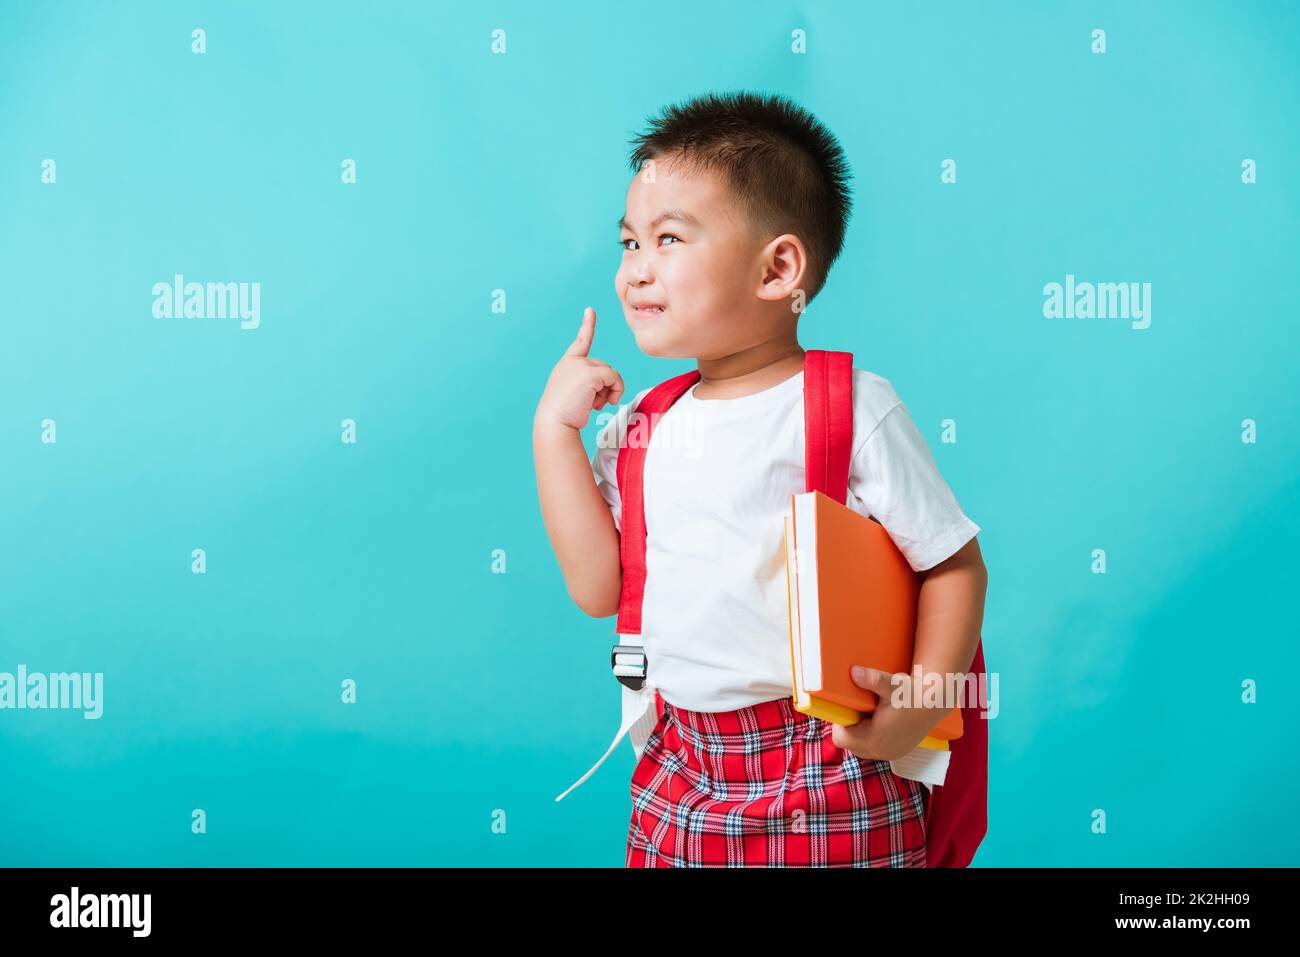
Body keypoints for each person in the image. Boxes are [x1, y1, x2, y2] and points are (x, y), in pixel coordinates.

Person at [533, 90, 988, 867]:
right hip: (684, 762)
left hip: (836, 762)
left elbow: (953, 563)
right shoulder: (646, 422)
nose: (634, 271)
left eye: (667, 238)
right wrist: (555, 435)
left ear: (779, 268)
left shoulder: (851, 408)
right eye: (628, 242)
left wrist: (920, 700)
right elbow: (598, 587)